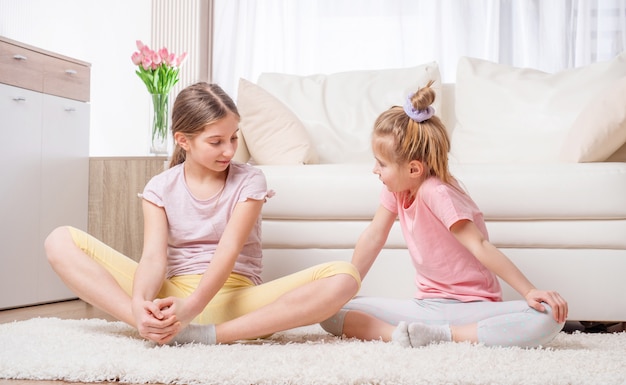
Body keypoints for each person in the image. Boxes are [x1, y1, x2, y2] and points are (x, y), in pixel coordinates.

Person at [45, 82, 361, 345]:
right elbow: (153, 258)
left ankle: (209, 336)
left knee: (344, 277)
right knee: (59, 241)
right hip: (174, 296)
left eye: (234, 138)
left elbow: (228, 249)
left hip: (237, 304)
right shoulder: (160, 187)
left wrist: (191, 309)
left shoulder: (250, 180)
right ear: (184, 141)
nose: (229, 149)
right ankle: (148, 326)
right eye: (216, 141)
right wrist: (142, 303)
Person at [320, 81, 568, 348]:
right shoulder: (397, 188)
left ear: (414, 169)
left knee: (550, 318)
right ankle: (403, 335)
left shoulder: (436, 192)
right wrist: (345, 288)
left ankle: (446, 336)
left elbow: (479, 244)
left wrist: (529, 291)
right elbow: (374, 235)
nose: (374, 170)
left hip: (472, 307)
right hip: (425, 308)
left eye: (381, 164)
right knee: (327, 310)